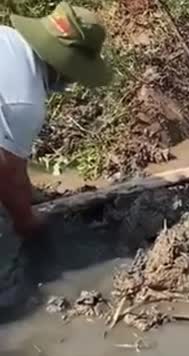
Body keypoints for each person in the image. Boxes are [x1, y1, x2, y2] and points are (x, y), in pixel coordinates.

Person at [0, 2, 112, 243]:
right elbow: (5, 170)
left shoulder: (7, 38)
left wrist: (29, 193)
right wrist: (26, 221)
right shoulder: (25, 102)